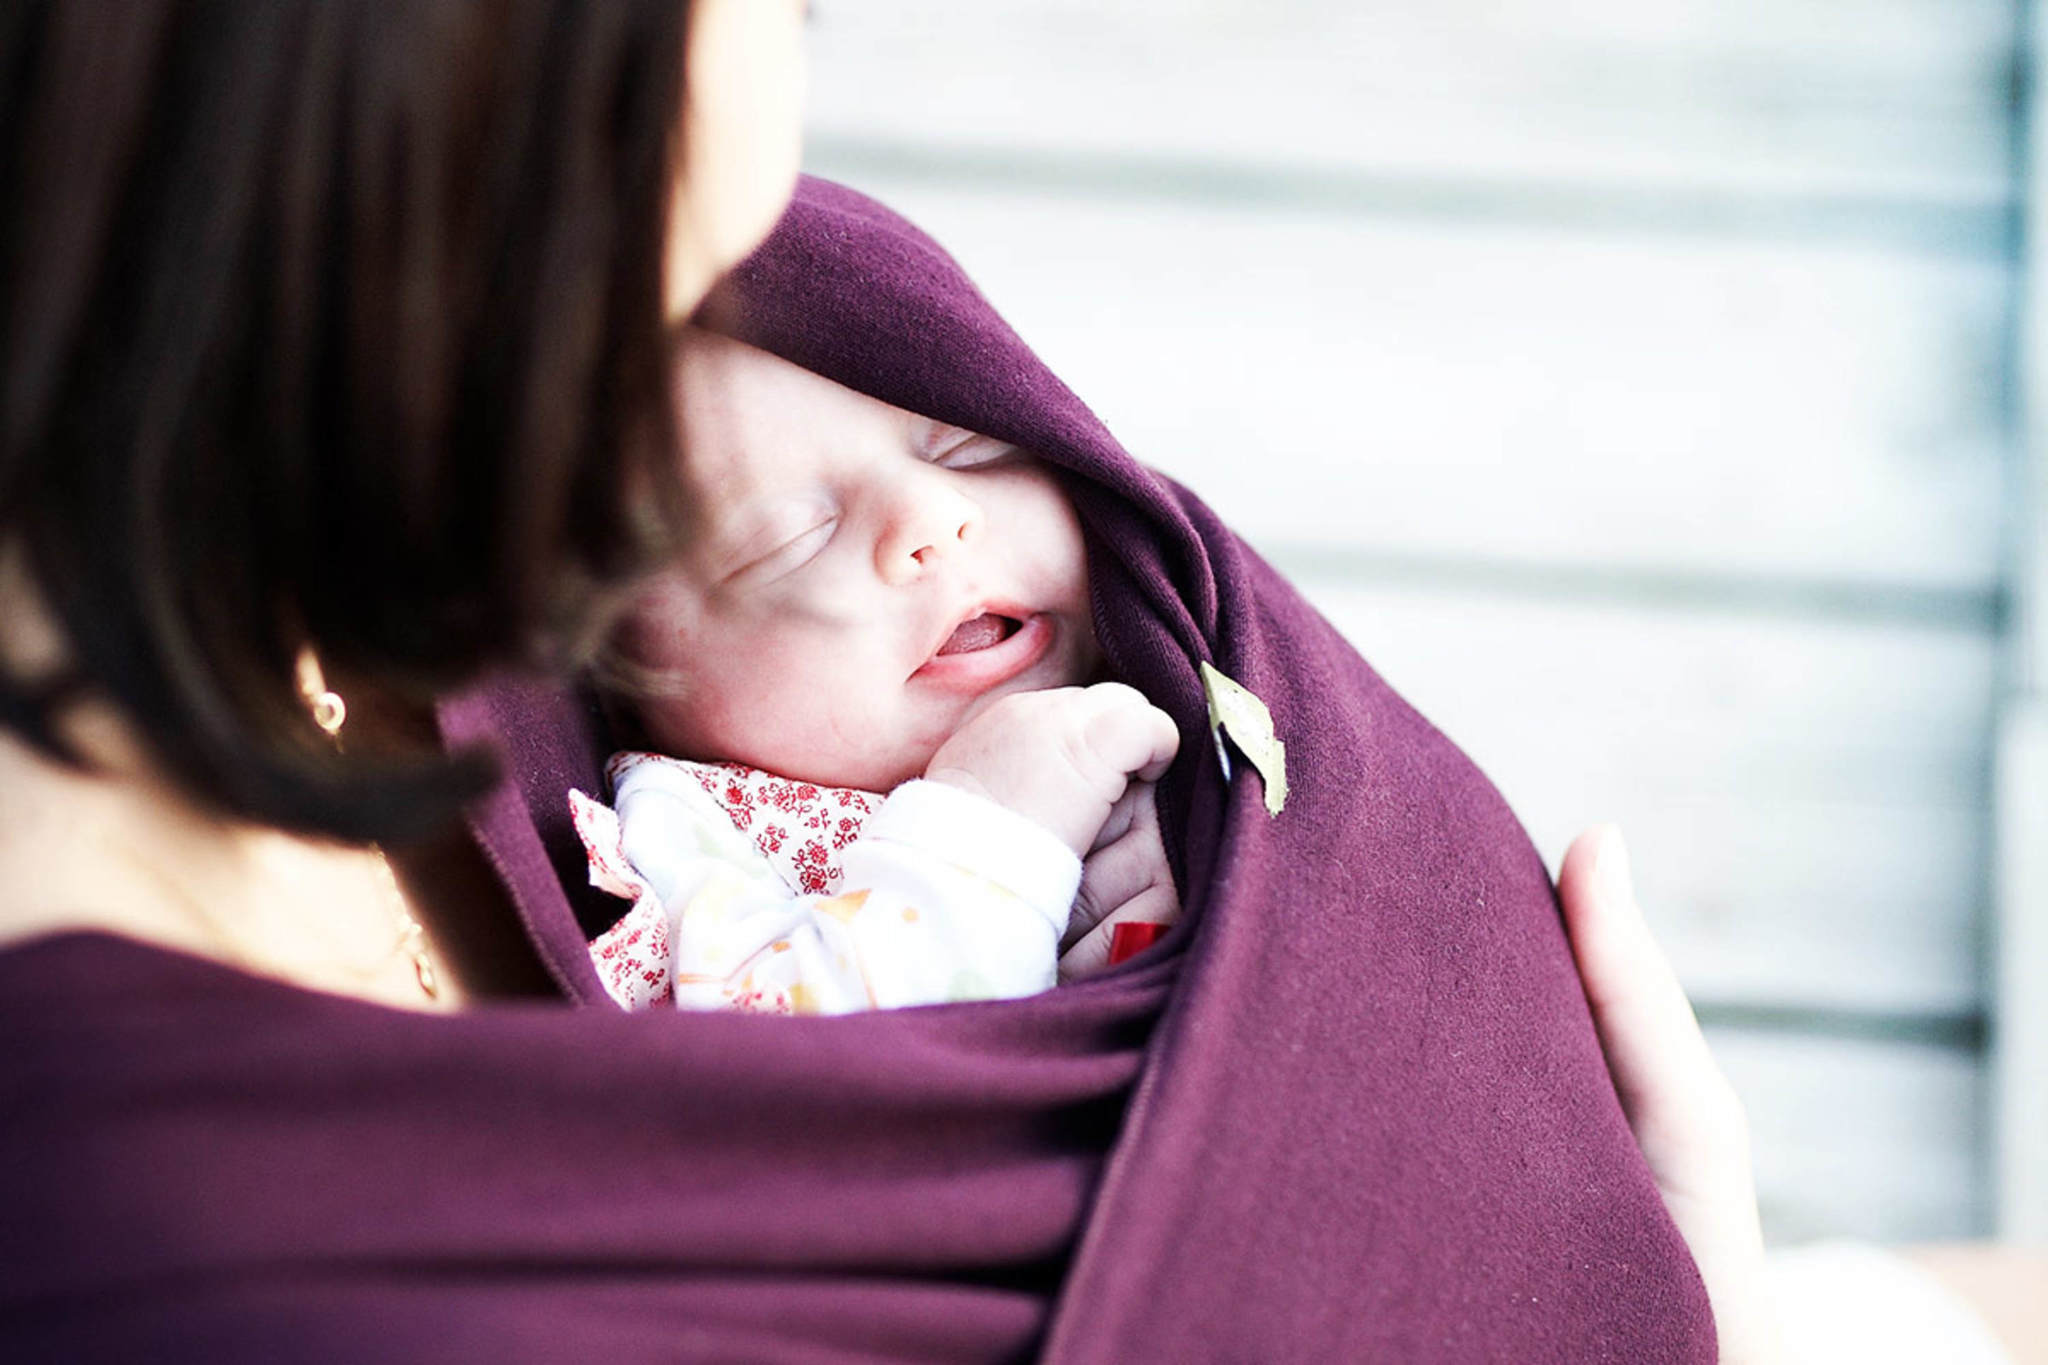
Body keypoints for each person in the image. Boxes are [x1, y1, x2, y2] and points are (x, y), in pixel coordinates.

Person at [0, 4, 1805, 1359]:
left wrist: (1605, 1240)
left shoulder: (485, 474)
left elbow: (1321, 905)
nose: (928, 525)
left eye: (963, 445)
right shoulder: (146, 1185)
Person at [569, 326, 1181, 1013]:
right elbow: (788, 1060)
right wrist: (989, 831)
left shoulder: (1165, 654)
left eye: (967, 447)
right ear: (632, 684)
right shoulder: (689, 823)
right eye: (788, 539)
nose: (933, 514)